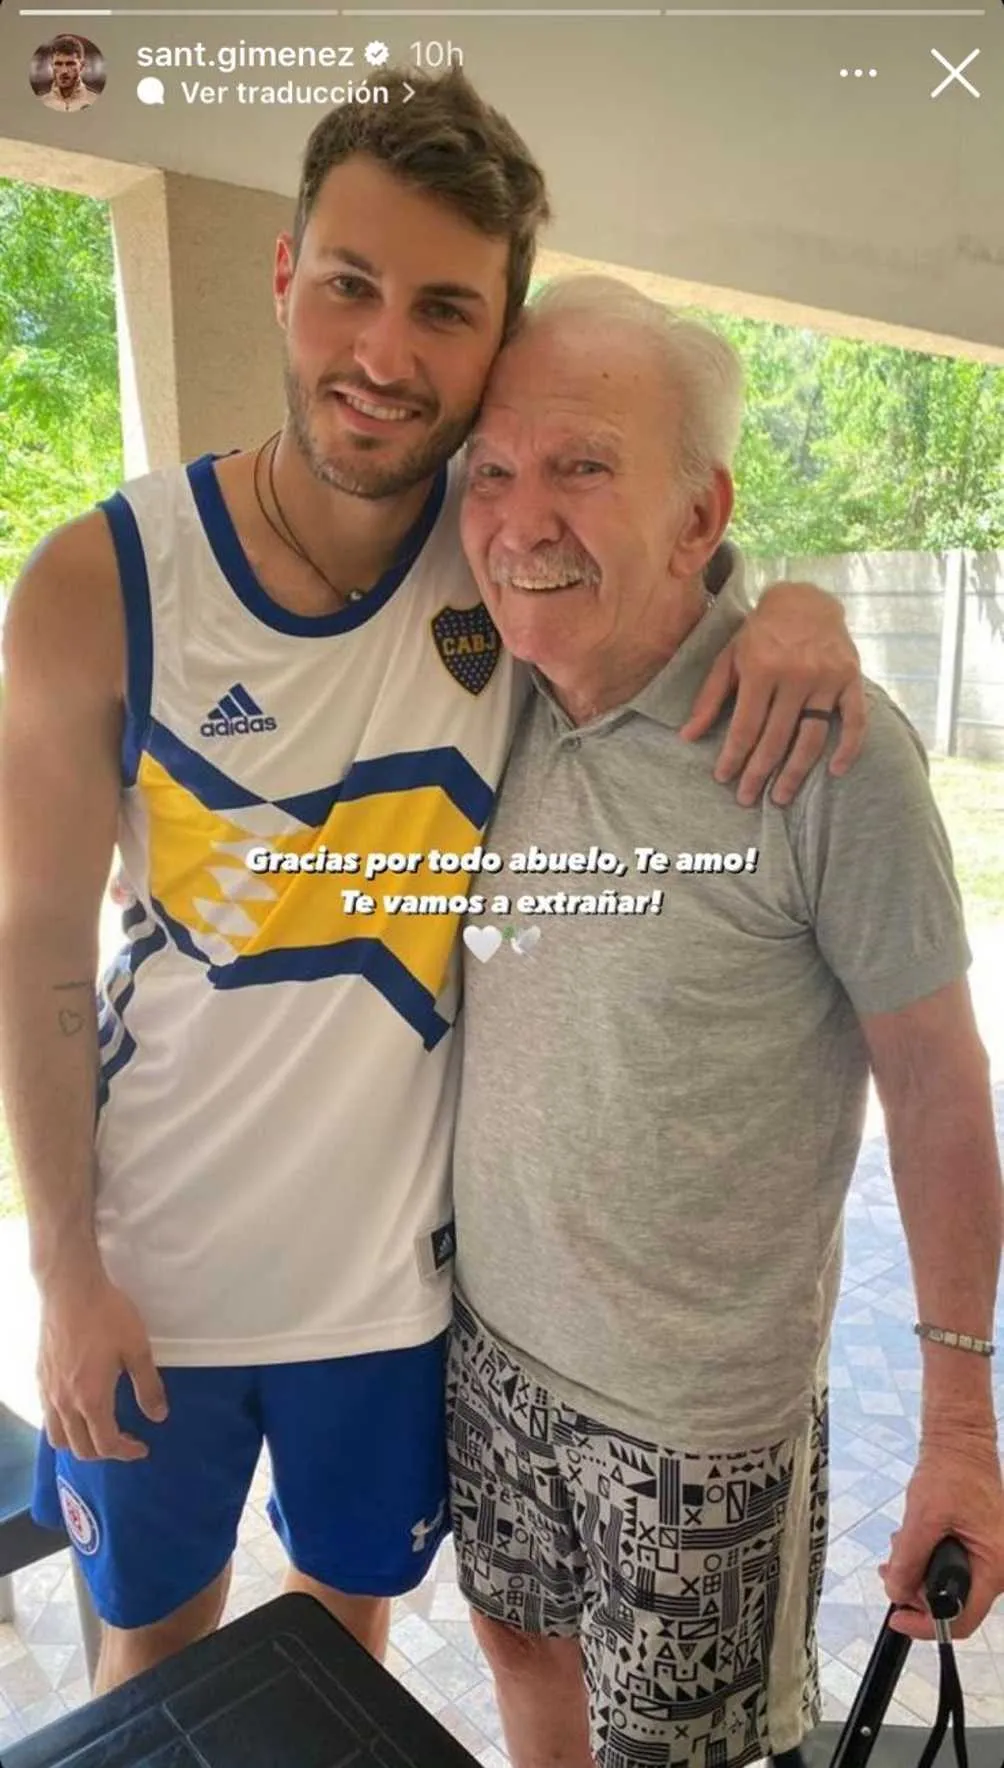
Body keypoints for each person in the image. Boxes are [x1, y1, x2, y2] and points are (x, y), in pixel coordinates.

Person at [0, 70, 865, 1695]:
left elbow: (667, 562)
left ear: (495, 343)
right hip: (153, 1275)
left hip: (390, 1301)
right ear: (285, 277)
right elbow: (32, 941)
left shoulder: (508, 565)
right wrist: (61, 1275)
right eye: (350, 284)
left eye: (445, 311)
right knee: (154, 1671)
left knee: (339, 1667)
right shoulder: (97, 582)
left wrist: (800, 608)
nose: (385, 353)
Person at [446, 276, 1004, 1768]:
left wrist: (958, 1426)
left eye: (583, 465)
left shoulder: (825, 754)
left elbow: (939, 1088)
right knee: (517, 1647)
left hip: (696, 1426)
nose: (521, 517)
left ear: (700, 515)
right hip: (491, 1345)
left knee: (680, 1753)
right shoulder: (487, 684)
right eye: (492, 470)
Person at [38, 36, 99, 112]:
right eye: (58, 64)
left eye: (70, 64)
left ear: (82, 66)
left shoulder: (94, 100)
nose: (64, 71)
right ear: (52, 65)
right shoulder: (41, 102)